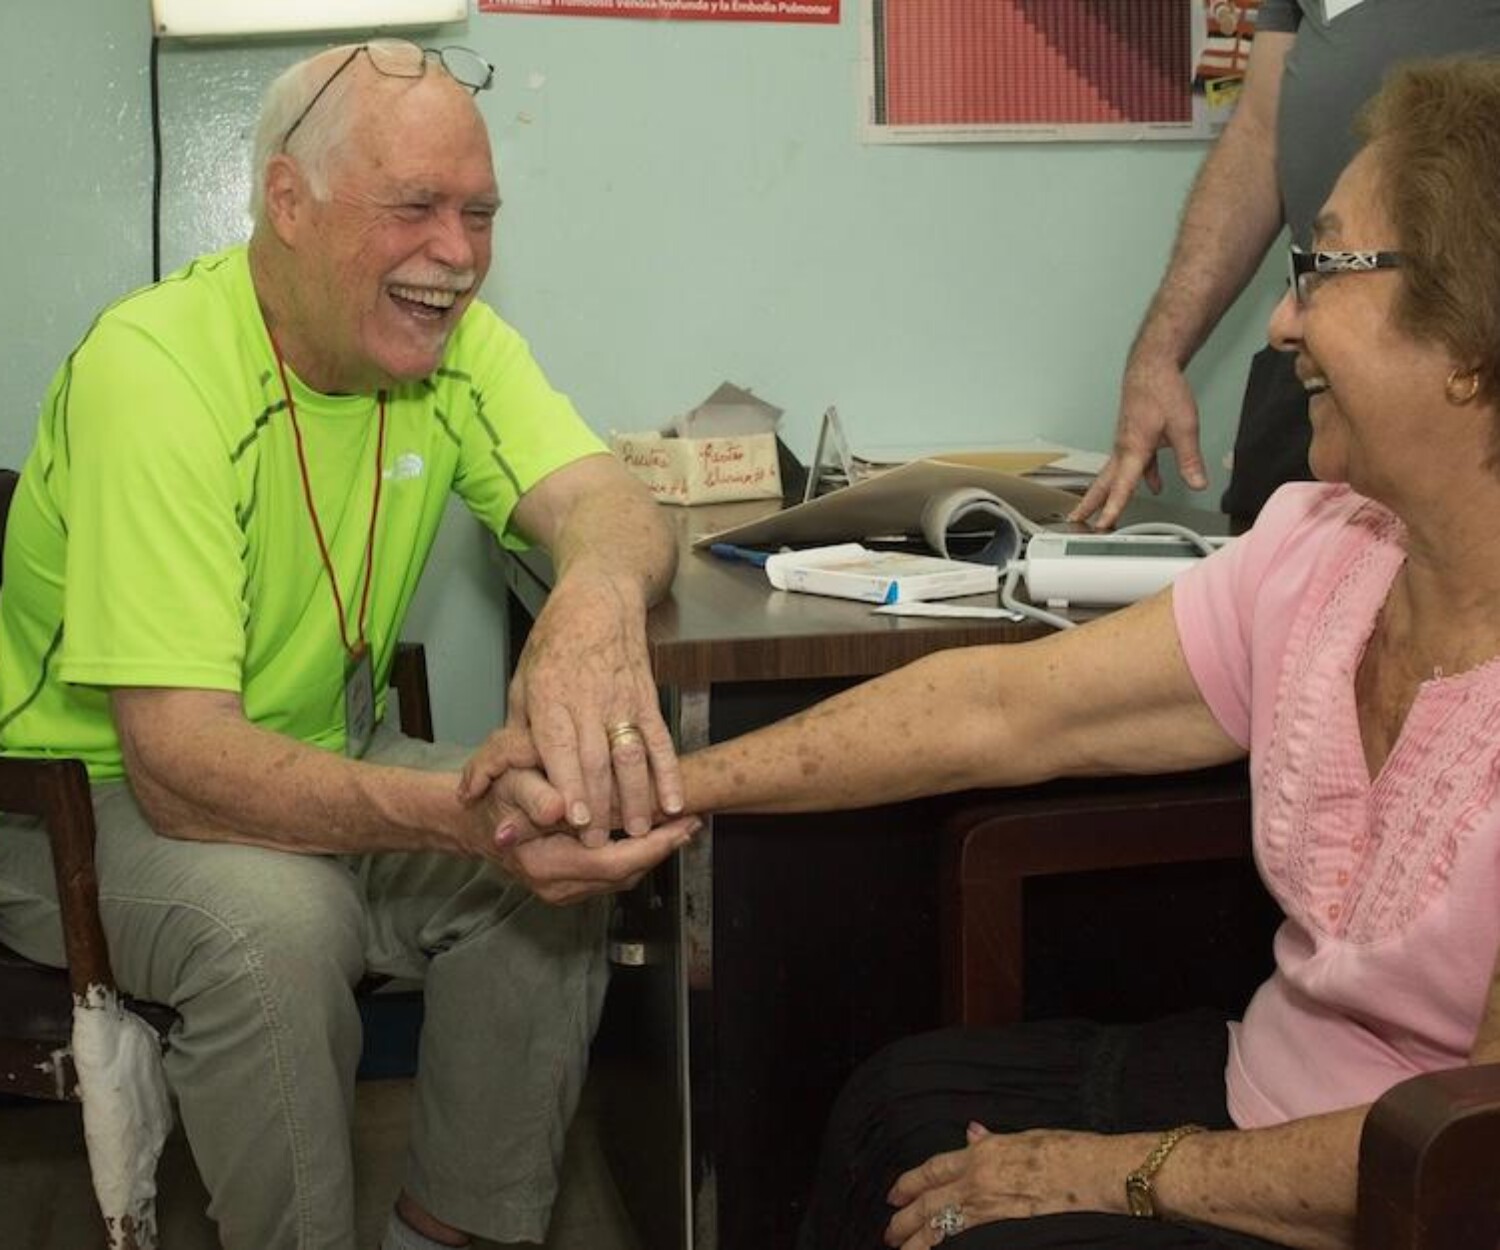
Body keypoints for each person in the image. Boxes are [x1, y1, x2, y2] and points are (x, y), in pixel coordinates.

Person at [466, 57, 1500, 1249]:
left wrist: (1126, 1170)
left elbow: (1476, 1143)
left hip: (1416, 1186)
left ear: (1473, 332)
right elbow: (1002, 707)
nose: (1281, 320)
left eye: (1323, 267)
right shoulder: (1322, 552)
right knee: (896, 1108)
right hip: (1263, 1084)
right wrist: (649, 783)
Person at [0, 40, 697, 1250]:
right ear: (287, 199)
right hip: (87, 798)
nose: (459, 254)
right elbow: (175, 761)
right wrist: (447, 814)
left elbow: (616, 504)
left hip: (319, 751)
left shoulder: (454, 346)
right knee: (279, 926)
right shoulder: (154, 370)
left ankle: (455, 1232)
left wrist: (591, 594)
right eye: (415, 207)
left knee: (554, 847)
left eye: (478, 212)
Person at [1074, 0, 1500, 532]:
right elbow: (1258, 136)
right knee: (1269, 566)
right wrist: (1159, 353)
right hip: (1315, 352)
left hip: (1453, 353)